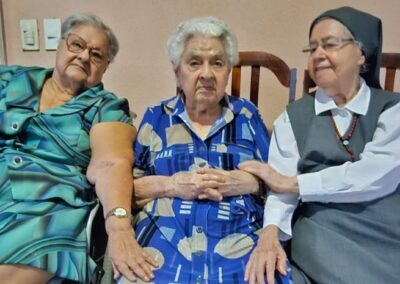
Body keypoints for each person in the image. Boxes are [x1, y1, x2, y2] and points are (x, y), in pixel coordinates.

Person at [113, 16, 292, 283]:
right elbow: (126, 190)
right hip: (163, 250)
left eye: (217, 63)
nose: (207, 74)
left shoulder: (247, 115)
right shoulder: (155, 118)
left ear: (228, 71)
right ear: (177, 71)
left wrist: (249, 184)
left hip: (240, 250)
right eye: (194, 62)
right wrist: (172, 185)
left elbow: (279, 184)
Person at [240, 6, 400, 284]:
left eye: (330, 45)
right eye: (312, 49)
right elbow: (280, 191)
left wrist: (294, 183)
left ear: (362, 54)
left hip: (382, 227)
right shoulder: (293, 117)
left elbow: (377, 176)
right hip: (319, 230)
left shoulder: (392, 108)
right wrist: (269, 234)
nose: (318, 55)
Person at [0, 14, 155, 283]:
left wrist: (119, 227)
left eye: (96, 55)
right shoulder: (10, 78)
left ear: (105, 67)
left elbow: (111, 162)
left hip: (47, 204)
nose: (84, 56)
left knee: (41, 241)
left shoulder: (106, 107)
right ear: (60, 46)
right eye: (77, 45)